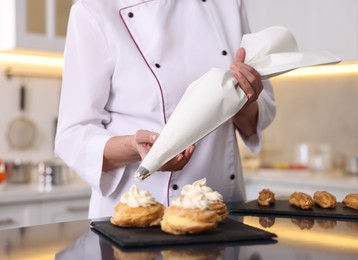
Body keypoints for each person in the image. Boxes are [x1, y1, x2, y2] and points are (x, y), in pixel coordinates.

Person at [55, 0, 276, 219]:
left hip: (222, 207)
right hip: (139, 211)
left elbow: (257, 119)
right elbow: (73, 135)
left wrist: (243, 98)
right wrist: (136, 147)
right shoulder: (94, 10)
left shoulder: (228, 5)